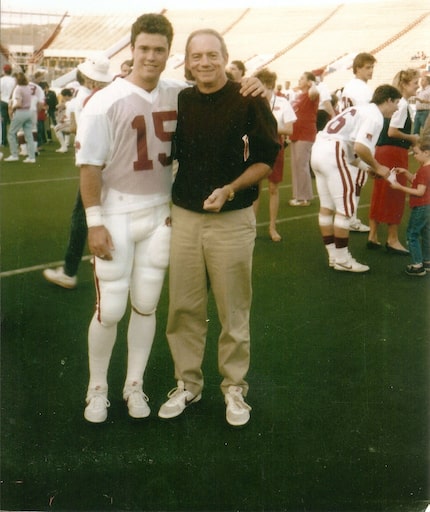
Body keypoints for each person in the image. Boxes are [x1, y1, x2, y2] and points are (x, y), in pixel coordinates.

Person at [75, 15, 264, 424]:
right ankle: (97, 388)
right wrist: (93, 221)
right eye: (143, 48)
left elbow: (222, 91)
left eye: (159, 49)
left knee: (146, 304)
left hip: (162, 212)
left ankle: (135, 385)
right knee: (110, 308)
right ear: (131, 50)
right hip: (118, 212)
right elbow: (88, 166)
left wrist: (255, 83)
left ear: (169, 55)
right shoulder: (104, 101)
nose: (151, 56)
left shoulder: (179, 91)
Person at [158, 29, 280, 427]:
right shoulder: (181, 97)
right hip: (188, 218)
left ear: (226, 57)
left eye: (212, 55)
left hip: (232, 218)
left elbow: (265, 158)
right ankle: (188, 383)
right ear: (187, 62)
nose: (205, 63)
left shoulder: (249, 96)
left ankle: (234, 388)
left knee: (233, 310)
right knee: (183, 308)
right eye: (197, 56)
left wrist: (230, 189)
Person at [310, 84, 402, 272]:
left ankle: (334, 256)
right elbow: (360, 147)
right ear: (388, 100)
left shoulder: (358, 109)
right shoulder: (375, 116)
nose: (397, 108)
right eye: (396, 103)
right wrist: (378, 167)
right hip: (333, 152)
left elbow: (352, 150)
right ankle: (343, 258)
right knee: (345, 209)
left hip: (319, 149)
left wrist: (366, 167)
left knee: (327, 208)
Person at [43, 56, 114, 290]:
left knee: (82, 216)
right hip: (114, 164)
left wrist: (67, 127)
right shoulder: (113, 96)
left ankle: (70, 270)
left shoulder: (89, 99)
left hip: (96, 165)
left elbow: (84, 132)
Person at [367, 68, 420, 254]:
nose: (418, 86)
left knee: (380, 193)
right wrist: (412, 138)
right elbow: (393, 131)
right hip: (394, 153)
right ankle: (392, 239)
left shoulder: (400, 104)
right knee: (394, 195)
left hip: (382, 150)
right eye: (415, 83)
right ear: (405, 85)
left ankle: (373, 236)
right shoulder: (402, 104)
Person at [253, 67, 296, 241]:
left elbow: (290, 129)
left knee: (273, 188)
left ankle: (272, 227)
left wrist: (269, 126)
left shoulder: (283, 103)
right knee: (255, 187)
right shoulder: (254, 101)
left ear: (269, 85)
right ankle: (252, 227)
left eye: (261, 86)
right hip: (257, 146)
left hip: (275, 146)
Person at [340, 52, 377, 232]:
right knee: (357, 181)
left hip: (345, 135)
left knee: (350, 180)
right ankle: (351, 218)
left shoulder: (349, 86)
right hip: (356, 138)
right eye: (367, 67)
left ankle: (348, 216)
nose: (371, 71)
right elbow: (366, 117)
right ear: (357, 68)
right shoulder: (363, 89)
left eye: (372, 67)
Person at [389, 130, 430, 276]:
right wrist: (406, 172)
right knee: (425, 232)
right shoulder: (425, 168)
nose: (415, 156)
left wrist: (399, 187)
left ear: (427, 153)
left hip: (421, 206)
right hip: (427, 207)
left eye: (417, 153)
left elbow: (419, 192)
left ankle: (417, 265)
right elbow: (417, 181)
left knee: (412, 234)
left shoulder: (425, 170)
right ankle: (426, 260)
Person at [288, 71, 319, 206]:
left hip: (305, 134)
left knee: (302, 165)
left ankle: (304, 198)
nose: (299, 80)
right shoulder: (299, 96)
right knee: (296, 165)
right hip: (296, 133)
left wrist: (313, 83)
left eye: (302, 79)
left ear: (309, 82)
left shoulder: (312, 95)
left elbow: (314, 92)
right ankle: (298, 195)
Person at [4, 72, 37, 164]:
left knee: (11, 133)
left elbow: (18, 103)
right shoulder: (27, 88)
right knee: (29, 135)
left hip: (21, 112)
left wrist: (12, 109)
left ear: (16, 80)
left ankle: (14, 155)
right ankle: (31, 157)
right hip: (29, 112)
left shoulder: (18, 89)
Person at [0, 64, 16, 146]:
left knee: (3, 122)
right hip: (12, 102)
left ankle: (3, 141)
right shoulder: (14, 80)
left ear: (4, 71)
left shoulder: (1, 80)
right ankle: (15, 140)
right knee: (14, 122)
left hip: (3, 101)